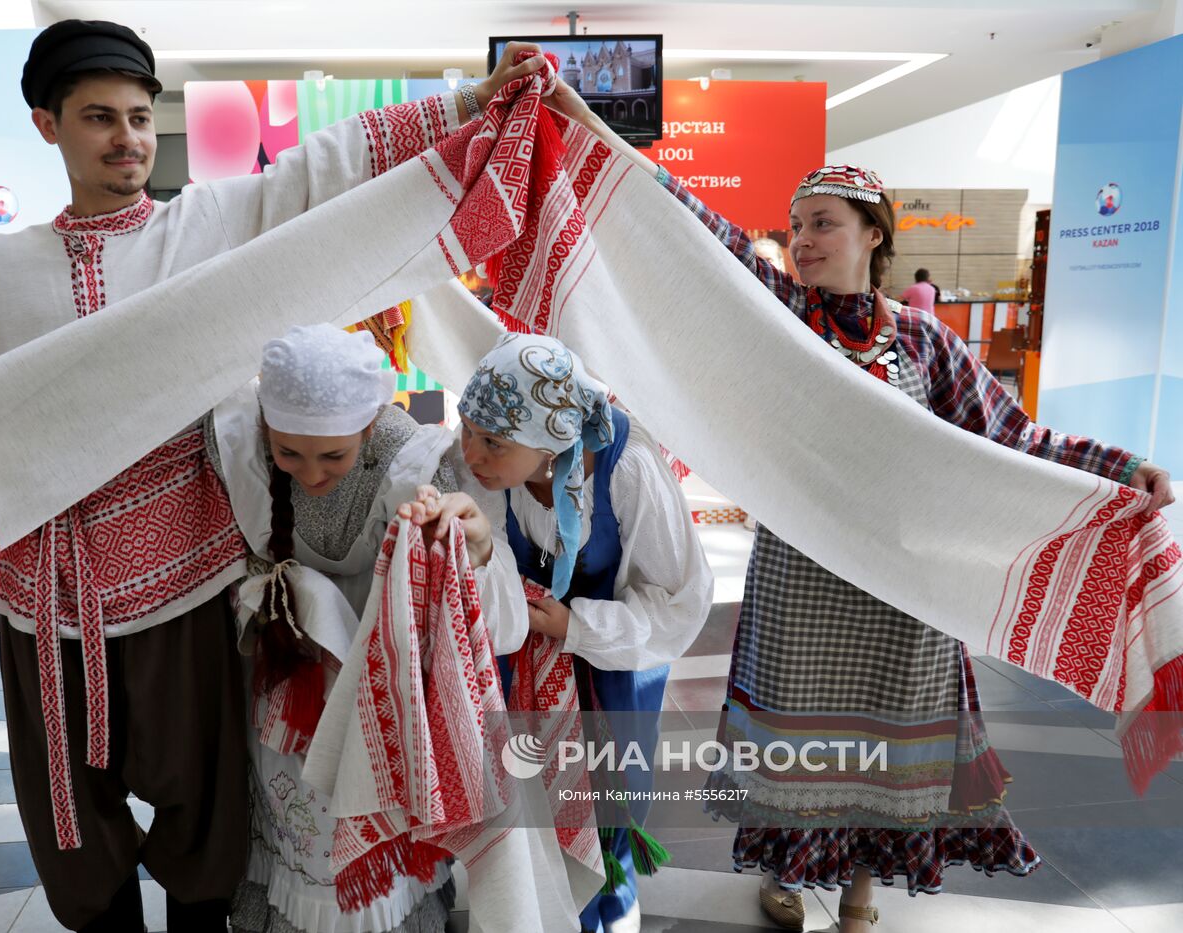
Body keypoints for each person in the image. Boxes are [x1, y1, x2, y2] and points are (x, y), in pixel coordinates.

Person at [0, 19, 545, 932]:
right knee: (76, 847)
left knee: (207, 838)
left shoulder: (205, 230)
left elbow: (321, 170)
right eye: (99, 117)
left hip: (189, 591)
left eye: (141, 117)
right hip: (47, 605)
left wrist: (468, 100)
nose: (128, 139)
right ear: (47, 125)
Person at [535, 83, 1175, 926]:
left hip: (900, 590)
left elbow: (1011, 434)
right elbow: (692, 226)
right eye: (796, 225)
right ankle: (788, 875)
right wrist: (589, 128)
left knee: (882, 742)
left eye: (823, 223)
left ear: (874, 235)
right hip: (800, 578)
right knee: (797, 740)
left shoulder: (924, 342)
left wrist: (1123, 466)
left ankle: (863, 892)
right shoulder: (781, 315)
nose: (801, 241)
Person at [209, 324, 529, 933]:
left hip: (384, 684)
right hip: (287, 682)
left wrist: (476, 548)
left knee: (361, 813)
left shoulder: (418, 461)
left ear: (371, 422)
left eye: (334, 456)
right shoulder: (240, 447)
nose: (310, 474)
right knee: (297, 816)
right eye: (289, 454)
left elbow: (493, 626)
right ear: (265, 433)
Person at [453, 333, 714, 933]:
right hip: (525, 665)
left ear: (551, 447)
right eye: (468, 429)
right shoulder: (493, 471)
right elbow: (485, 562)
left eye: (491, 442)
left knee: (606, 800)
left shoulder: (629, 471)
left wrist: (579, 625)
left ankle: (607, 908)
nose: (471, 453)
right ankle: (540, 908)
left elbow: (679, 600)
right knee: (530, 794)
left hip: (613, 666)